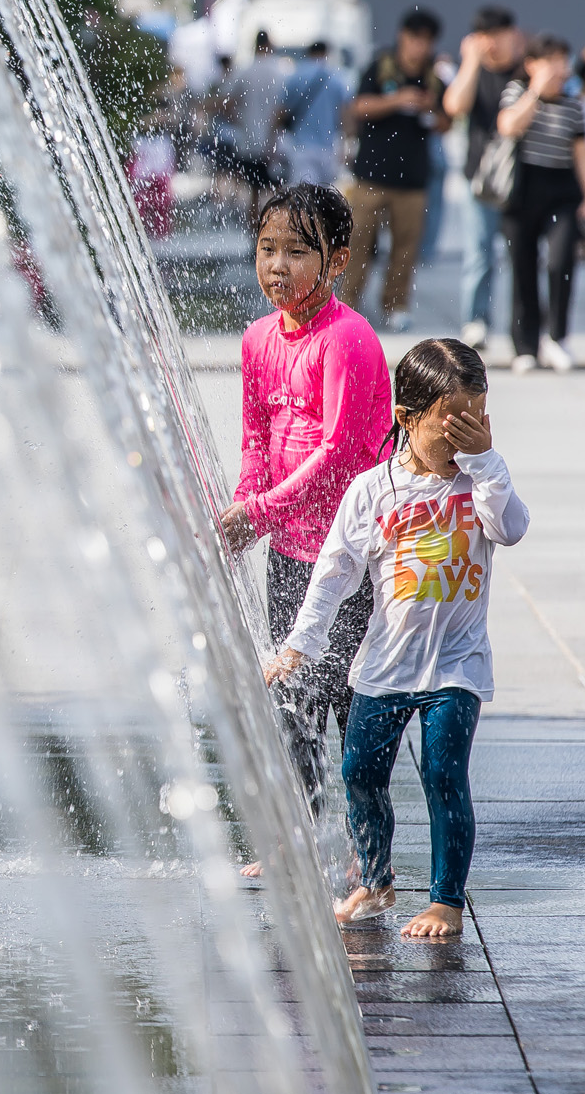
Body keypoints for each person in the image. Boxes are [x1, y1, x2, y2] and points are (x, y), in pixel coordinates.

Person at [268, 338, 530, 940]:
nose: (466, 435)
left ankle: (445, 901)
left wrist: (488, 461)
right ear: (405, 416)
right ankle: (377, 878)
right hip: (385, 663)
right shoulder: (372, 491)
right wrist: (299, 646)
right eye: (453, 422)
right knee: (360, 771)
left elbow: (512, 529)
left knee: (444, 775)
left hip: (455, 666)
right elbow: (333, 573)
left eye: (479, 418)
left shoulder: (480, 480)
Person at [220, 183, 392, 839]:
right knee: (290, 698)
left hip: (351, 554)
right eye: (267, 249)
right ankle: (297, 838)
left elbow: (339, 451)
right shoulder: (259, 338)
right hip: (291, 550)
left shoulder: (346, 341)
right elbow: (256, 436)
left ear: (338, 260)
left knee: (350, 701)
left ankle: (367, 855)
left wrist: (258, 511)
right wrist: (247, 505)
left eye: (297, 251)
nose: (278, 266)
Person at [495, 35, 585, 373]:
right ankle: (525, 344)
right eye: (551, 61)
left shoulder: (574, 105)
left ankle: (557, 337)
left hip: (563, 193)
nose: (559, 69)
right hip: (523, 191)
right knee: (522, 266)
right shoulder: (517, 92)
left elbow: (582, 153)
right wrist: (536, 92)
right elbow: (508, 125)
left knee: (560, 261)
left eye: (563, 61)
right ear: (532, 65)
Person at [344, 7, 451, 331]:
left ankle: (396, 305)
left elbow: (447, 122)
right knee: (357, 245)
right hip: (371, 175)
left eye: (426, 41)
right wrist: (397, 100)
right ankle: (349, 305)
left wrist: (430, 107)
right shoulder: (380, 67)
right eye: (414, 39)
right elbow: (359, 107)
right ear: (402, 36)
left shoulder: (435, 76)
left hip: (414, 179)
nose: (419, 47)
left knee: (405, 249)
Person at [442, 6, 527, 349]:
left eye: (497, 36)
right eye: (484, 37)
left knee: (522, 253)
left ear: (513, 34)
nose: (492, 44)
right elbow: (454, 106)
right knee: (479, 253)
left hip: (520, 178)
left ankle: (524, 325)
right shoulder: (473, 72)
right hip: (478, 177)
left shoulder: (525, 70)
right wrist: (471, 62)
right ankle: (476, 320)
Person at [219, 31, 287, 211]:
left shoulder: (244, 70)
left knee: (253, 194)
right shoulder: (281, 72)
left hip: (249, 141)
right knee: (278, 193)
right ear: (270, 45)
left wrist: (238, 120)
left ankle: (254, 237)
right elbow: (285, 109)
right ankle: (277, 233)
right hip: (274, 144)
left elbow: (225, 102)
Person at [281, 41, 350, 188]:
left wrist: (272, 140)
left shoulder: (296, 76)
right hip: (328, 149)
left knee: (303, 197)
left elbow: (281, 111)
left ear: (308, 53)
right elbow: (345, 114)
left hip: (301, 148)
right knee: (324, 198)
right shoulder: (337, 78)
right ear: (327, 53)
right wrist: (345, 145)